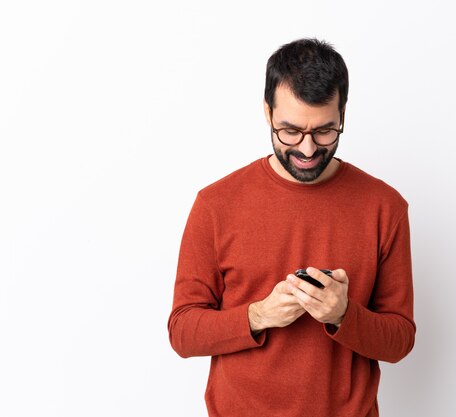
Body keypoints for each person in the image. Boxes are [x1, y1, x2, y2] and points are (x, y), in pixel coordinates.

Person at [168, 38, 415, 417]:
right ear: (267, 113)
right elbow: (182, 333)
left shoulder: (385, 207)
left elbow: (399, 341)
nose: (308, 149)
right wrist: (259, 315)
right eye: (290, 131)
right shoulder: (216, 204)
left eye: (324, 131)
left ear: (343, 114)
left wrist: (343, 314)